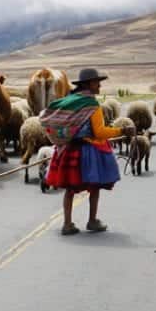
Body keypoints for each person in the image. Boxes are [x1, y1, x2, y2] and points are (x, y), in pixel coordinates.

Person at [44, 68, 137, 235]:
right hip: (88, 151)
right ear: (88, 84)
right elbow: (99, 132)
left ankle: (67, 224)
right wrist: (121, 131)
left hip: (69, 149)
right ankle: (92, 221)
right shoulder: (92, 104)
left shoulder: (70, 101)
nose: (100, 86)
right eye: (97, 82)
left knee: (70, 188)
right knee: (95, 186)